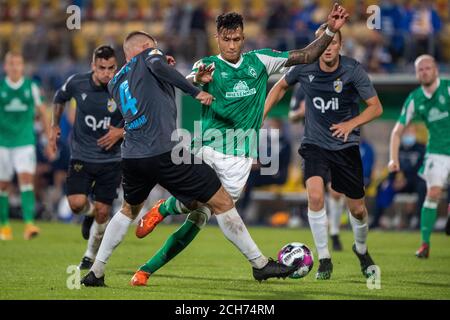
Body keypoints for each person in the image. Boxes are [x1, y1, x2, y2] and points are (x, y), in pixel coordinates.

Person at [131, 4, 349, 286]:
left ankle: (146, 266)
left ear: (243, 38)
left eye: (236, 39)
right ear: (217, 37)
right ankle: (258, 264)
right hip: (208, 148)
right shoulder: (208, 64)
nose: (231, 45)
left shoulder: (260, 60)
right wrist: (198, 79)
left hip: (240, 158)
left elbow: (306, 55)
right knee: (205, 203)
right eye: (226, 39)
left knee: (198, 217)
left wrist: (331, 30)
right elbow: (187, 80)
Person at [81, 31, 298, 287]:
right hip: (164, 151)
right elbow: (156, 65)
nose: (158, 50)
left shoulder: (115, 82)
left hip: (131, 156)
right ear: (143, 47)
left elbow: (151, 92)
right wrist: (195, 90)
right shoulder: (150, 56)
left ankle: (96, 271)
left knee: (127, 211)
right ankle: (260, 264)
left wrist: (178, 74)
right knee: (222, 201)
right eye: (154, 47)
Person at [264, 23, 383, 280]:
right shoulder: (305, 66)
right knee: (316, 197)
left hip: (346, 146)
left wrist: (351, 124)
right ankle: (324, 259)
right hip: (314, 145)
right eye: (323, 44)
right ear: (316, 46)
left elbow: (376, 107)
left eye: (332, 43)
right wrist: (260, 114)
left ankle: (360, 249)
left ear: (340, 45)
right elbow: (279, 86)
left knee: (358, 210)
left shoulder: (352, 69)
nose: (328, 48)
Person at [49, 45, 124, 269]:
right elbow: (59, 97)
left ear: (116, 67)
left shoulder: (123, 88)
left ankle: (89, 256)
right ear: (93, 66)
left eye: (111, 68)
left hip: (111, 159)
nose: (107, 73)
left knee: (104, 211)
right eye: (102, 68)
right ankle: (88, 214)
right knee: (76, 204)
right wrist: (54, 125)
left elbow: (140, 114)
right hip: (81, 155)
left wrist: (120, 131)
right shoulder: (77, 82)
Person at [388, 54, 450, 258]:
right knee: (432, 194)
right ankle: (425, 244)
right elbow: (397, 131)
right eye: (420, 69)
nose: (424, 72)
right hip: (437, 151)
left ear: (436, 70)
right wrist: (393, 158)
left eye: (427, 68)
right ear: (416, 74)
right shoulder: (415, 98)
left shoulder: (447, 88)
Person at [0, 51, 52, 240]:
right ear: (6, 67)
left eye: (18, 64)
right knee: (3, 185)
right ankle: (4, 226)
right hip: (2, 143)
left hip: (24, 141)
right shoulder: (1, 86)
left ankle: (29, 224)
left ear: (22, 67)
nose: (14, 67)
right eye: (11, 64)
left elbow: (43, 113)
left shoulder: (31, 87)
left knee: (26, 181)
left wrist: (48, 140)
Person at [371, 125, 426, 229]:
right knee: (382, 186)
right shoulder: (398, 148)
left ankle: (420, 223)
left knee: (423, 187)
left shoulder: (421, 149)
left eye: (410, 132)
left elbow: (421, 169)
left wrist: (406, 181)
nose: (408, 135)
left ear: (415, 133)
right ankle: (376, 221)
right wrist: (391, 180)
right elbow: (393, 168)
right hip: (400, 183)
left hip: (415, 182)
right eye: (405, 133)